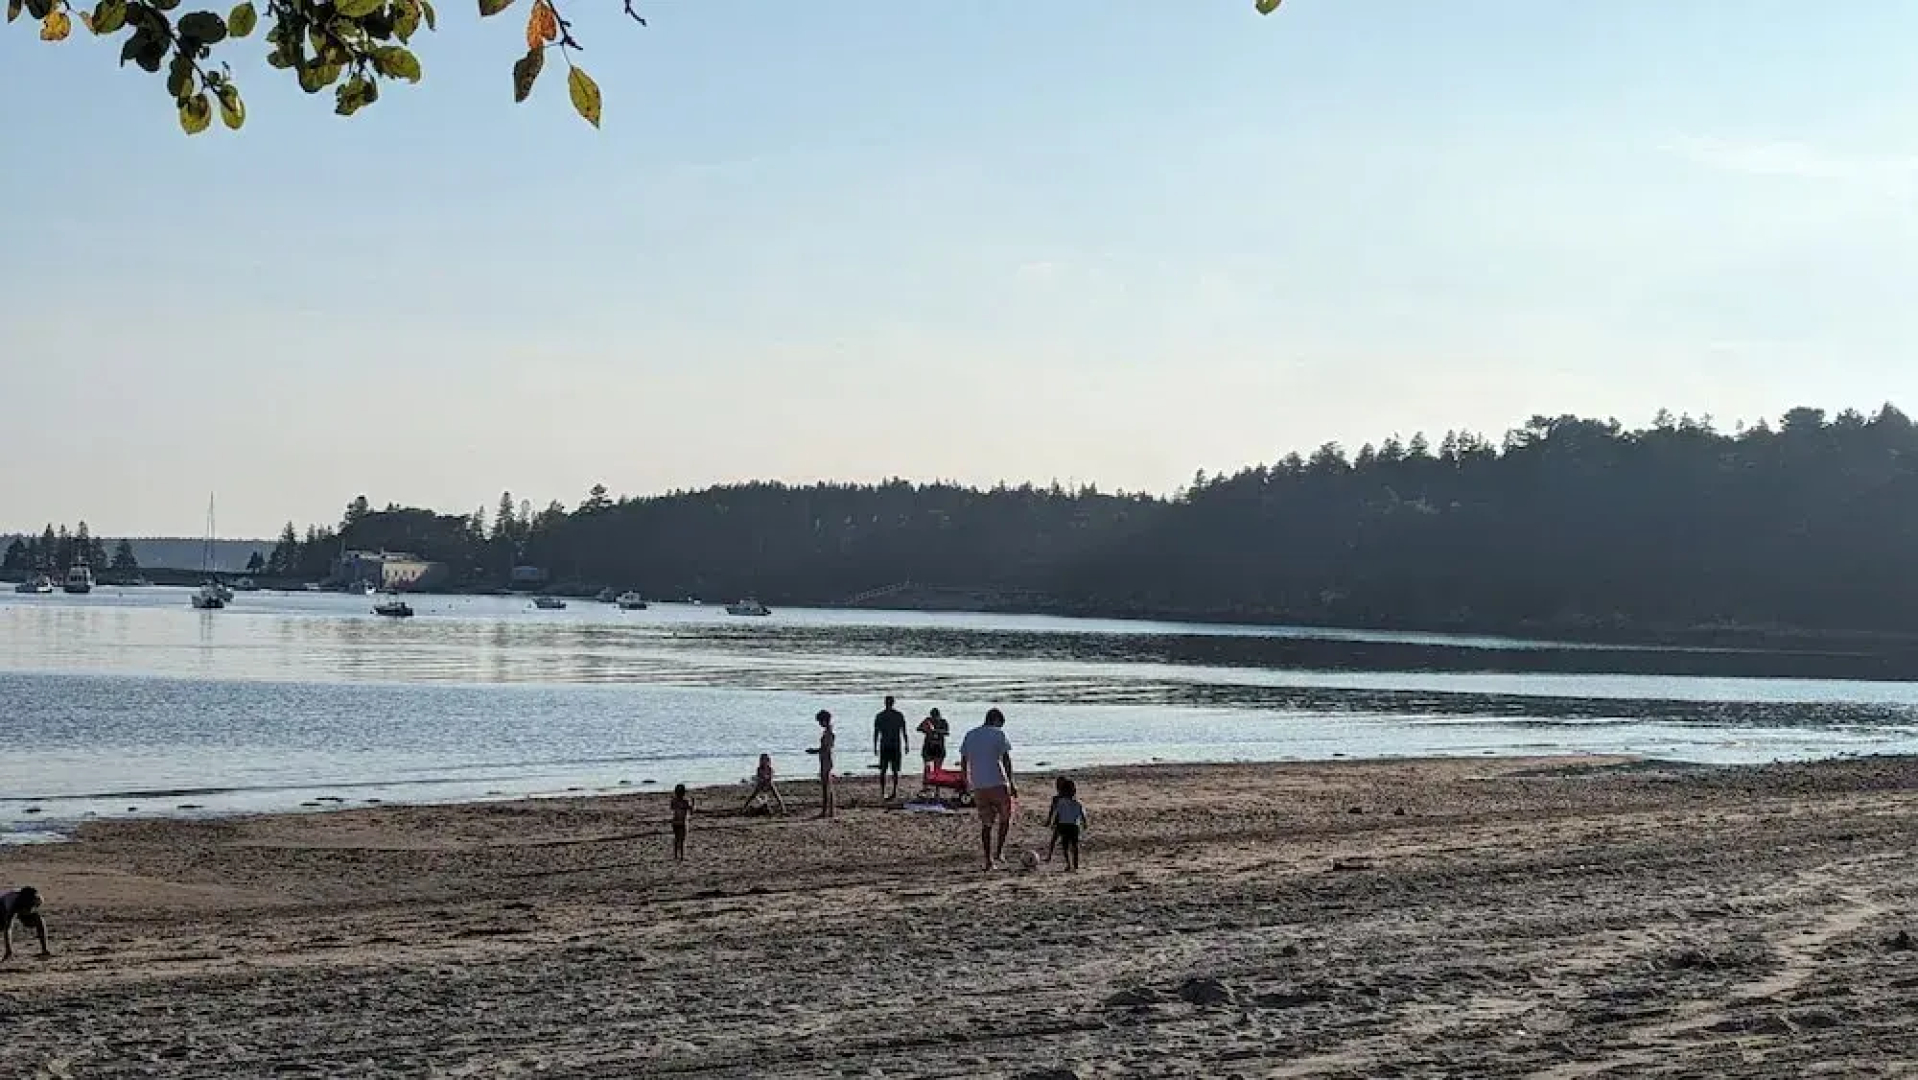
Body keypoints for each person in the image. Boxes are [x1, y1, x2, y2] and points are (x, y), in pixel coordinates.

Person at [957, 708, 1016, 870]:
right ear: (996, 720)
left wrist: (966, 779)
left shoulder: (971, 734)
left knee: (987, 823)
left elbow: (964, 759)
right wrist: (1012, 782)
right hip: (998, 782)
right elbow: (1006, 760)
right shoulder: (998, 734)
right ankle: (999, 851)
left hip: (979, 785)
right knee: (1005, 818)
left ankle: (988, 860)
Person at [1044, 777, 1088, 871]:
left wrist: (1051, 821)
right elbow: (1054, 811)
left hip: (1064, 824)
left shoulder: (1062, 801)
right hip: (1068, 825)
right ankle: (1071, 864)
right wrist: (1084, 823)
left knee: (1067, 846)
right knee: (1069, 845)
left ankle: (1071, 864)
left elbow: (1056, 811)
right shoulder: (1067, 801)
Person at [873, 695, 910, 800]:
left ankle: (884, 791)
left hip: (886, 745)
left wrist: (875, 746)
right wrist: (907, 744)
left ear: (885, 703)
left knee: (884, 769)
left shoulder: (880, 716)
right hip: (894, 745)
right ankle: (892, 791)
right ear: (893, 703)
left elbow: (876, 733)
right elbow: (904, 732)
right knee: (893, 770)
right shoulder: (898, 715)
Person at [1, 885, 49, 962]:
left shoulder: (38, 899)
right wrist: (8, 951)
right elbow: (8, 928)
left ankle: (44, 950)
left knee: (39, 920)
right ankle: (8, 952)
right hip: (2, 906)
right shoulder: (11, 903)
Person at [805, 710, 837, 818]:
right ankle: (830, 810)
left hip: (826, 760)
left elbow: (825, 748)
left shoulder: (828, 733)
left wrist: (813, 751)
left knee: (825, 786)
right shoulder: (829, 732)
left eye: (820, 721)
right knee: (828, 785)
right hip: (826, 759)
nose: (819, 724)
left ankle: (826, 811)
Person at [670, 784, 695, 861]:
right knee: (682, 839)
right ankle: (681, 856)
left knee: (676, 839)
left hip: (675, 822)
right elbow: (691, 811)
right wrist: (693, 803)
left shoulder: (674, 801)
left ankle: (675, 855)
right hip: (682, 822)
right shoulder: (685, 801)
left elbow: (672, 808)